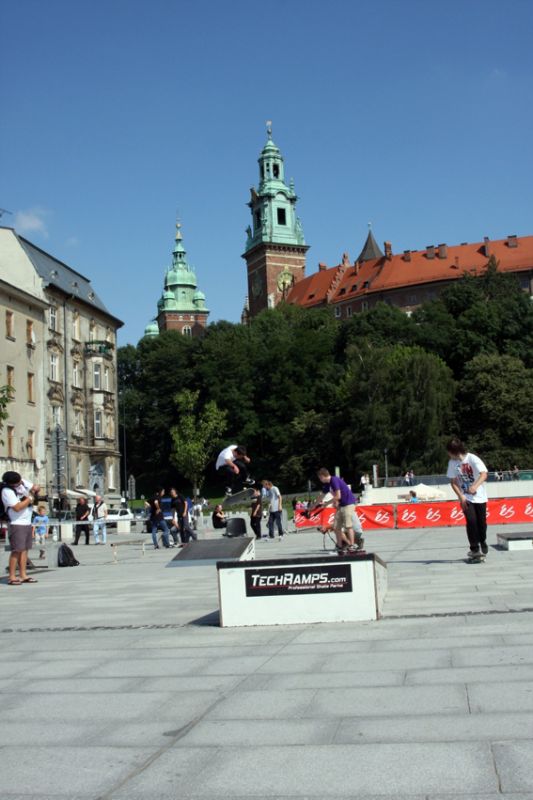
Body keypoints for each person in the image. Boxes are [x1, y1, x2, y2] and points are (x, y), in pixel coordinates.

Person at [446, 436, 488, 561]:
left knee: (482, 523)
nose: (448, 455)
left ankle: (483, 540)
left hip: (480, 497)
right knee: (471, 521)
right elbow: (453, 482)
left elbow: (484, 474)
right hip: (466, 498)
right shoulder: (452, 463)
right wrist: (461, 497)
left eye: (449, 452)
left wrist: (475, 486)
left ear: (454, 451)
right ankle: (474, 548)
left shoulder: (472, 458)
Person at [1, 470, 40, 585]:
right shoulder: (7, 491)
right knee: (16, 550)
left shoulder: (21, 482)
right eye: (17, 483)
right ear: (11, 484)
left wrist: (35, 489)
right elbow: (17, 507)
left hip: (27, 522)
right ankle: (12, 576)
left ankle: (23, 575)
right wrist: (29, 498)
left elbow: (36, 487)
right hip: (16, 523)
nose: (20, 484)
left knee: (24, 550)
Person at [317, 467, 358, 555]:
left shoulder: (334, 480)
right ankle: (340, 547)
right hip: (341, 505)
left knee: (348, 525)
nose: (320, 480)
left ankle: (352, 545)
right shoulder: (328, 484)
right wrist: (312, 506)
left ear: (322, 476)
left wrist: (326, 503)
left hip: (348, 503)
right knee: (336, 527)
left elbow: (338, 496)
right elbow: (321, 496)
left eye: (319, 478)